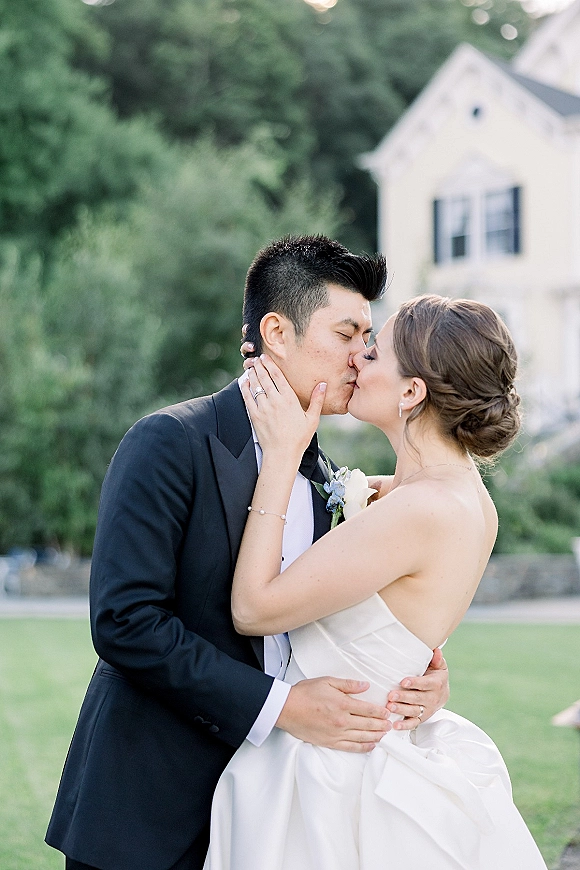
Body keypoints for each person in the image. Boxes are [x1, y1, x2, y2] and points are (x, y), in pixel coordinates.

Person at [46, 237, 449, 870]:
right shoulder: (169, 442)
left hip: (275, 816)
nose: (362, 356)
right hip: (149, 808)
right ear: (276, 332)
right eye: (346, 333)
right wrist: (283, 707)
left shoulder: (331, 479)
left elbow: (332, 616)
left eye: (368, 337)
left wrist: (417, 672)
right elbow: (126, 623)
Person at [203, 294, 548, 870]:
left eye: (376, 350)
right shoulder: (456, 497)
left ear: (412, 392)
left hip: (338, 772)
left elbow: (255, 609)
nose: (358, 358)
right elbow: (398, 627)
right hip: (374, 731)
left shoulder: (420, 510)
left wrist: (285, 453)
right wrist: (426, 675)